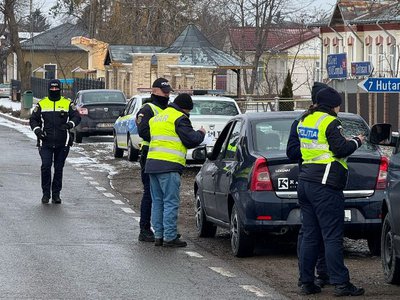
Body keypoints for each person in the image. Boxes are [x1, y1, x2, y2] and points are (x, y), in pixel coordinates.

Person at [297, 87, 365, 297]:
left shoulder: (304, 120)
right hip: (325, 185)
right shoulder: (330, 122)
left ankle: (306, 282)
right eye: (338, 105)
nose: (339, 108)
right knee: (332, 236)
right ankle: (341, 283)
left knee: (310, 235)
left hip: (306, 180)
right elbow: (340, 149)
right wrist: (357, 141)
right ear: (332, 105)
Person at [145, 93, 205, 247]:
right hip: (169, 166)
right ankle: (170, 237)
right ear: (186, 108)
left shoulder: (158, 117)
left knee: (157, 202)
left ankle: (159, 235)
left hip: (152, 164)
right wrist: (201, 133)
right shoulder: (179, 117)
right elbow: (191, 139)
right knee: (170, 202)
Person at [286, 82, 330, 288]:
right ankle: (309, 277)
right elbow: (292, 151)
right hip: (315, 181)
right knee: (313, 233)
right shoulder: (302, 122)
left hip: (327, 181)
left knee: (321, 232)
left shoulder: (331, 121)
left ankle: (322, 274)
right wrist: (312, 154)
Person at [29, 79, 81, 204]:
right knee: (46, 167)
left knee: (58, 168)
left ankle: (56, 194)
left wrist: (69, 124)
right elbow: (33, 120)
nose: (54, 90)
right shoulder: (42, 104)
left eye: (56, 88)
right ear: (48, 89)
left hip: (62, 142)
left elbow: (77, 116)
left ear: (60, 89)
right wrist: (38, 132)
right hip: (45, 142)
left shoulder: (67, 103)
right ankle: (45, 194)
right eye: (51, 88)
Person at [136, 78, 172, 242]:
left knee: (164, 195)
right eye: (163, 92)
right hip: (148, 154)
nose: (166, 95)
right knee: (150, 194)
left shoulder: (168, 109)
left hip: (165, 156)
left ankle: (162, 229)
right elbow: (143, 132)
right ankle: (144, 229)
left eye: (168, 92)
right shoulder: (147, 109)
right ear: (154, 91)